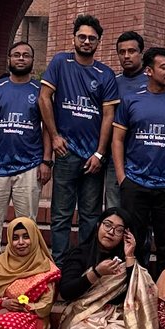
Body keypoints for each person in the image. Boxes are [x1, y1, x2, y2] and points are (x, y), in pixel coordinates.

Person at [39, 14, 118, 262]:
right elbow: (44, 98)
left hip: (93, 158)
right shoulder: (61, 63)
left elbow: (108, 115)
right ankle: (60, 265)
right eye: (82, 36)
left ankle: (86, 265)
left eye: (91, 38)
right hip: (66, 152)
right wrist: (54, 137)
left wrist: (100, 153)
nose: (86, 41)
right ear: (73, 38)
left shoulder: (105, 74)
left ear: (98, 43)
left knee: (90, 215)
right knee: (61, 214)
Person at [113, 46, 165, 271]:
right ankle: (135, 293)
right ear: (149, 71)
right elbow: (118, 139)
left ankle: (162, 296)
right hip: (135, 183)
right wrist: (122, 177)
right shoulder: (131, 100)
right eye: (164, 67)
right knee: (134, 243)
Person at [0, 41, 50, 270]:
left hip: (29, 164)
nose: (21, 58)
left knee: (27, 220)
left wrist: (46, 160)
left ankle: (25, 261)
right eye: (16, 55)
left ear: (32, 61)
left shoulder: (39, 90)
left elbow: (47, 127)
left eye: (26, 55)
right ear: (9, 59)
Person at [106, 31, 150, 215]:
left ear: (141, 53)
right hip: (115, 157)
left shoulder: (153, 81)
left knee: (140, 213)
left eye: (131, 51)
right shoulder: (113, 82)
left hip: (144, 157)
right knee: (113, 208)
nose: (126, 56)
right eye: (121, 52)